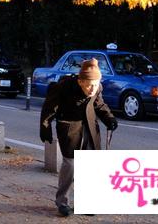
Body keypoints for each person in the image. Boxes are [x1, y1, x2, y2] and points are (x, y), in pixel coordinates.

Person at [39, 58, 119, 217]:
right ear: (80, 81)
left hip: (90, 128)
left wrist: (109, 119)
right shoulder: (63, 87)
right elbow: (49, 109)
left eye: (95, 84)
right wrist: (45, 128)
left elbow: (99, 104)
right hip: (69, 129)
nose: (92, 89)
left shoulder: (96, 87)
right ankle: (62, 202)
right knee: (71, 165)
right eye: (89, 85)